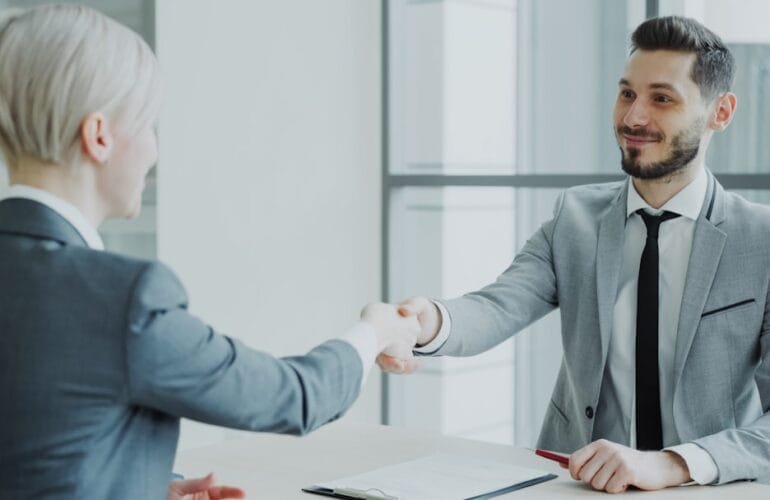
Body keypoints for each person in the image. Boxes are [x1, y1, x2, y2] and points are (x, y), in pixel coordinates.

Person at [0, 5, 419, 499]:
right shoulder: (121, 300)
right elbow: (295, 397)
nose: (154, 149)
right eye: (148, 124)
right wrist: (375, 332)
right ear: (99, 136)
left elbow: (35, 448)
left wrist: (146, 488)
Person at [378, 15, 770, 493]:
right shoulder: (577, 218)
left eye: (661, 99)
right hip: (577, 483)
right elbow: (498, 305)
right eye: (627, 93)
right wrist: (424, 322)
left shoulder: (761, 240)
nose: (633, 118)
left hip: (709, 486)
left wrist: (670, 463)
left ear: (721, 113)